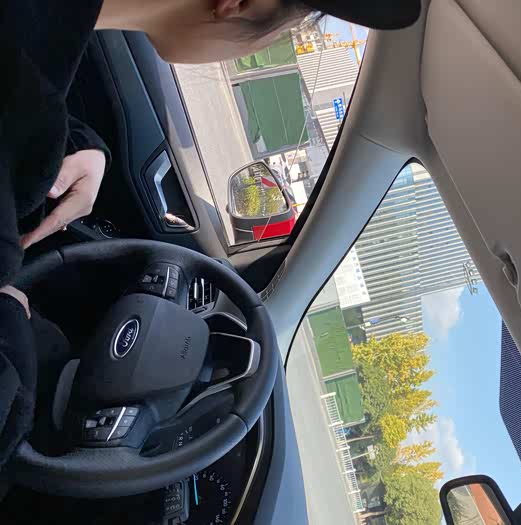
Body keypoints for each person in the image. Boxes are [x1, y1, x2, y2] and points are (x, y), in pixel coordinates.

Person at [0, 0, 420, 468]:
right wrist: (11, 319)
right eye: (281, 33)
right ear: (240, 4)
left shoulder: (33, 65)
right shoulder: (21, 111)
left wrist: (78, 145)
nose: (257, 49)